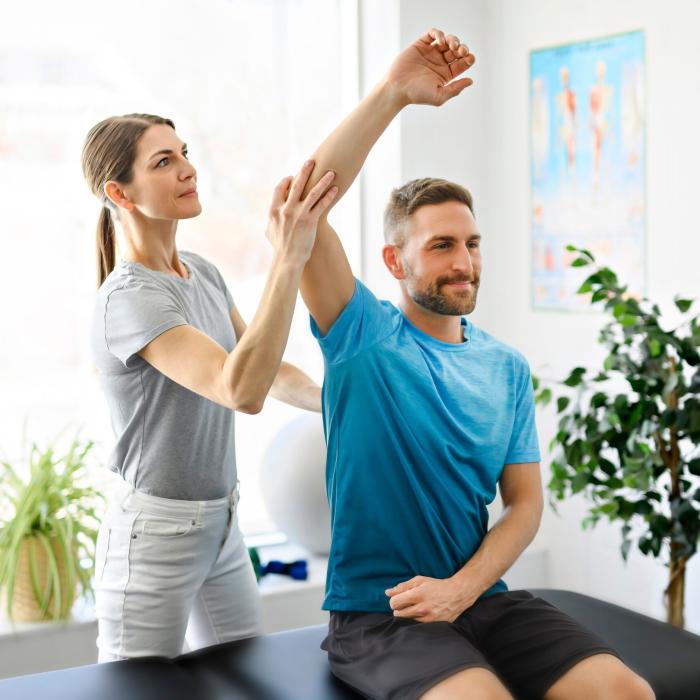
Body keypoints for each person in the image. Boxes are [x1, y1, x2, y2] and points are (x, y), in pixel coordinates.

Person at [297, 29, 655, 700]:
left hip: (482, 601)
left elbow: (523, 504)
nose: (464, 263)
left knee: (626, 692)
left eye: (471, 243)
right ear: (395, 263)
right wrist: (394, 95)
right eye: (441, 246)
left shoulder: (505, 366)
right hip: (384, 614)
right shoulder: (361, 336)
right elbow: (300, 203)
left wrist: (463, 589)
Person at [81, 113, 338, 661]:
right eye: (164, 161)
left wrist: (338, 404)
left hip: (221, 523)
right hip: (154, 536)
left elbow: (265, 370)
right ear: (119, 192)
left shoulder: (202, 273)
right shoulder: (129, 296)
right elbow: (239, 389)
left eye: (184, 153)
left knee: (247, 679)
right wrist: (289, 256)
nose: (188, 169)